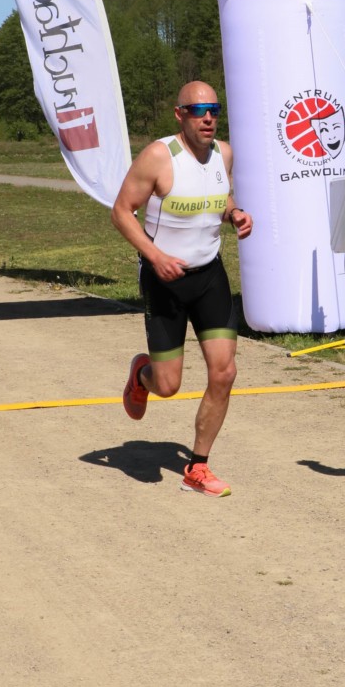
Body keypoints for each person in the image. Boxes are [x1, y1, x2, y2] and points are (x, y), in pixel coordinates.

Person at [111, 81, 253, 496]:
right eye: (197, 110)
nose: (207, 118)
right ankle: (143, 375)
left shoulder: (224, 153)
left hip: (209, 277)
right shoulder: (159, 156)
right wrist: (155, 257)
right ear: (180, 115)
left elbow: (220, 199)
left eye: (214, 110)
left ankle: (198, 466)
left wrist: (235, 213)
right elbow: (121, 211)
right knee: (169, 385)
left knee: (224, 372)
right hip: (165, 281)